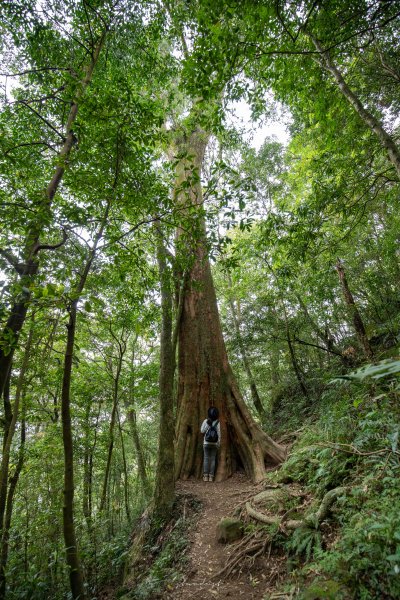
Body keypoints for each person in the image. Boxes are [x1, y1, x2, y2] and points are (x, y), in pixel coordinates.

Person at [200, 407, 221, 482]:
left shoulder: (206, 421)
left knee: (206, 458)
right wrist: (218, 443)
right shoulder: (217, 422)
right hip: (214, 443)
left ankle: (205, 476)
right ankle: (211, 477)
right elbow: (219, 434)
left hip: (206, 443)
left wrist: (207, 426)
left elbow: (202, 431)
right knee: (212, 459)